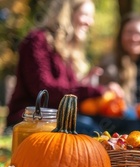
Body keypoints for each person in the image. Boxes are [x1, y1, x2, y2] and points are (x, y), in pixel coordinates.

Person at [6, 0, 121, 131]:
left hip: (58, 118)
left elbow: (68, 92)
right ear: (68, 13)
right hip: (30, 120)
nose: (90, 22)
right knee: (91, 130)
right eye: (85, 15)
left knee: (111, 125)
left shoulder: (67, 52)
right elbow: (45, 91)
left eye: (92, 17)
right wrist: (97, 91)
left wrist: (85, 84)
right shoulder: (38, 41)